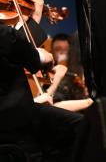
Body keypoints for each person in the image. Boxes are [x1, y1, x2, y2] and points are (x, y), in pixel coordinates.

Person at [0, 25, 85, 161]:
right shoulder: (6, 34)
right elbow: (9, 37)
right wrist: (40, 55)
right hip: (12, 115)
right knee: (79, 125)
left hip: (13, 111)